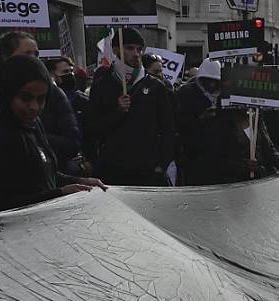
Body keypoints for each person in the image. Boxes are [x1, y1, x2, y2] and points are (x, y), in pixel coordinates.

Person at [0, 55, 104, 212]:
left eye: (41, 99)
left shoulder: (34, 125)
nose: (34, 107)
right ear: (9, 93)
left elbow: (47, 175)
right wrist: (59, 194)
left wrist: (80, 181)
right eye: (25, 98)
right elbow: (4, 201)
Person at [85, 29, 174, 186]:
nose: (136, 54)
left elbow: (168, 129)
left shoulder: (155, 86)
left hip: (148, 172)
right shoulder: (102, 85)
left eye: (139, 49)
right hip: (113, 172)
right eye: (130, 48)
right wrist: (117, 112)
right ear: (115, 50)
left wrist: (161, 165)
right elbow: (92, 128)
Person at [0, 31, 82, 176]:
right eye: (27, 54)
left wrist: (35, 138)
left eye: (36, 55)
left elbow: (72, 141)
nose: (34, 107)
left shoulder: (54, 93)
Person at [201, 108, 279, 184]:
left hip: (260, 180)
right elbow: (216, 159)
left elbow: (269, 149)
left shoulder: (257, 119)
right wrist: (244, 166)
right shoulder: (221, 123)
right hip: (235, 183)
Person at [176, 59, 222, 184]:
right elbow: (178, 122)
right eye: (208, 80)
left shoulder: (224, 94)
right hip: (193, 154)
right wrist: (200, 119)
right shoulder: (185, 93)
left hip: (220, 156)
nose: (211, 84)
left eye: (215, 81)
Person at [47, 56, 87, 138]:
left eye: (71, 71)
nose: (70, 74)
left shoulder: (82, 99)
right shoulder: (47, 101)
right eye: (65, 71)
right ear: (53, 75)